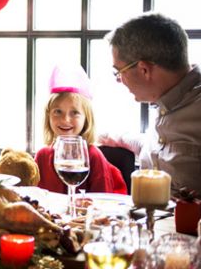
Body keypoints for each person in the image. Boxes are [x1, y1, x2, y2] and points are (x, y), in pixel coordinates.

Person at [105, 13, 201, 194]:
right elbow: (172, 150)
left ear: (144, 69)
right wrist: (116, 137)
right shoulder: (166, 100)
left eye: (119, 72)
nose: (119, 80)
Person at [35, 65, 127, 194]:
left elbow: (102, 202)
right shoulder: (42, 156)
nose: (65, 119)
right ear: (48, 116)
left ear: (86, 118)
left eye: (74, 113)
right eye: (58, 112)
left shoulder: (93, 156)